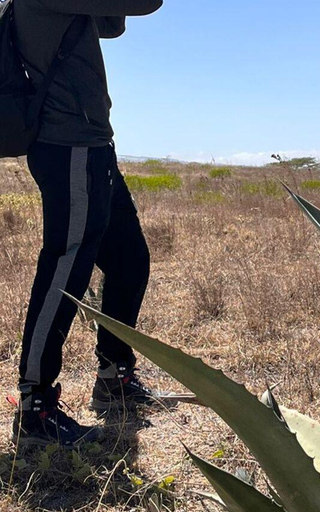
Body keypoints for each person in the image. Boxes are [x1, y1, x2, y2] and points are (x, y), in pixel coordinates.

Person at [12, 0, 164, 448]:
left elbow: (111, 25)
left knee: (129, 260)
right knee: (65, 271)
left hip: (92, 146)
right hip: (69, 147)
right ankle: (34, 406)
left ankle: (114, 375)